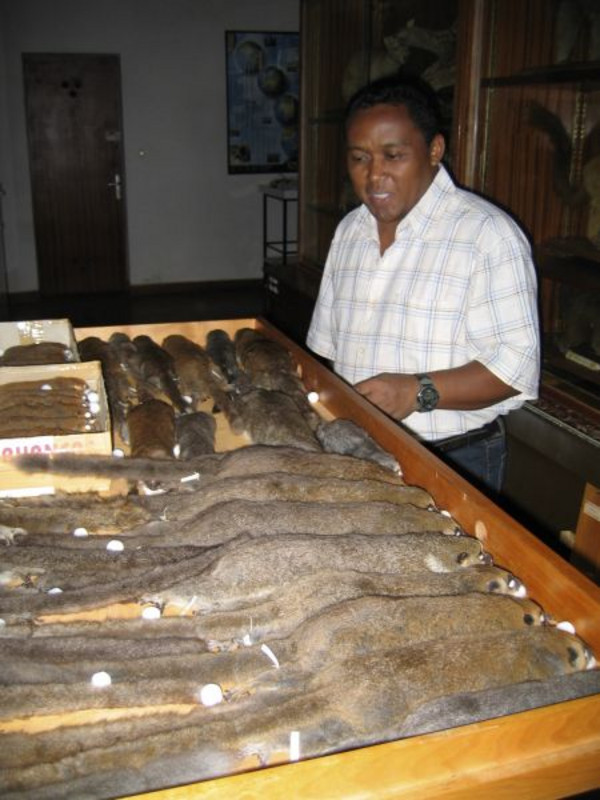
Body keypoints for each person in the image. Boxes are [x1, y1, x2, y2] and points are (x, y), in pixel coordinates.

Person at [306, 74, 540, 493]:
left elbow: (515, 369)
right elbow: (327, 349)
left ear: (434, 150)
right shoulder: (350, 231)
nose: (375, 176)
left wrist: (418, 391)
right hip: (355, 447)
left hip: (451, 457)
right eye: (359, 158)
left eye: (393, 156)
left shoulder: (487, 236)